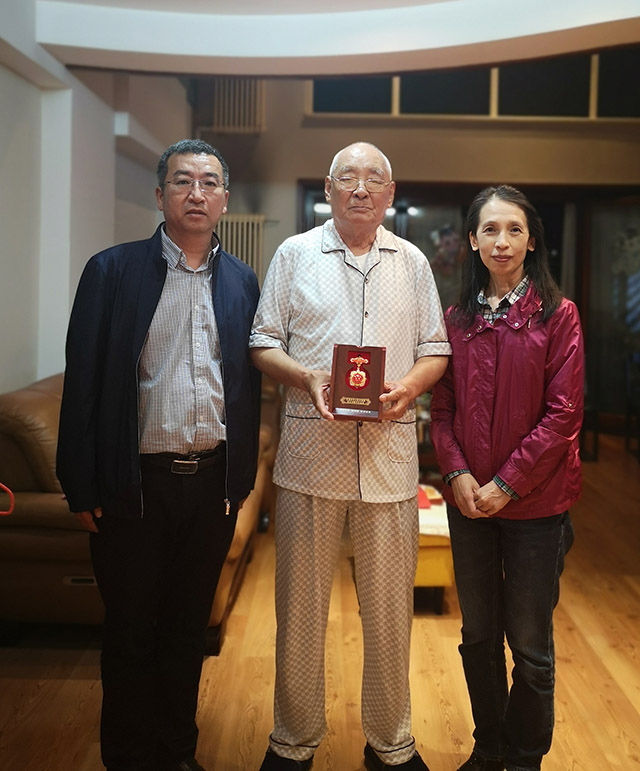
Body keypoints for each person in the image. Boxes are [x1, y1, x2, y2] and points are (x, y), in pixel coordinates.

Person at [56, 139, 261, 771]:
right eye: (182, 181)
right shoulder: (112, 271)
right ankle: (127, 757)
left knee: (186, 630)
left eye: (209, 182)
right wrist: (81, 483)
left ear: (224, 199)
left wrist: (240, 479)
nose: (196, 193)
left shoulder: (242, 282)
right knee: (129, 632)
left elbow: (246, 387)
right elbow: (83, 381)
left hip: (211, 485)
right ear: (160, 194)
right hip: (135, 485)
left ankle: (177, 752)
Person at [250, 142, 451, 771]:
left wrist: (408, 389)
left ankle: (391, 744)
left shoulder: (413, 262)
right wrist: (306, 376)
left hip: (389, 464)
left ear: (390, 193)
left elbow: (435, 349)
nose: (360, 189)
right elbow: (262, 342)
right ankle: (292, 742)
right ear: (328, 188)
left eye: (373, 179)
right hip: (310, 457)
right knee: (300, 611)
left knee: (390, 614)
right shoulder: (294, 254)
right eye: (348, 178)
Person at [430, 185, 584, 771]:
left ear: (532, 240)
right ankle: (488, 748)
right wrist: (457, 473)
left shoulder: (558, 315)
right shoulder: (457, 318)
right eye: (490, 230)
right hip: (469, 502)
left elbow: (563, 415)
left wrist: (507, 484)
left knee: (530, 646)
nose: (502, 241)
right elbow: (442, 410)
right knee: (477, 635)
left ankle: (524, 758)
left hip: (536, 508)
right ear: (472, 240)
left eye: (514, 229)